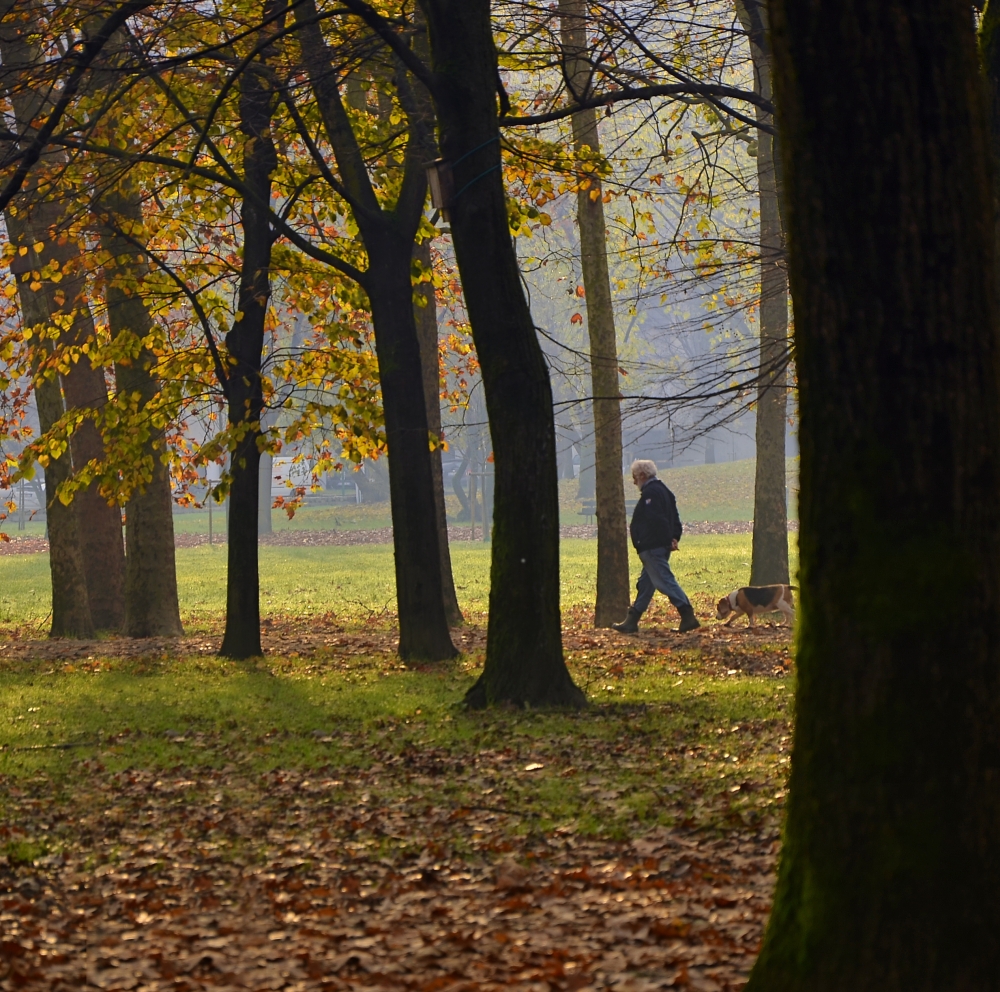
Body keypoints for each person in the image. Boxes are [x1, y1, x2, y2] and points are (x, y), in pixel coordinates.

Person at [612, 459, 700, 634]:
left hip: (652, 545)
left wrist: (665, 538)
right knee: (646, 583)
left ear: (643, 475)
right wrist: (674, 537)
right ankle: (632, 620)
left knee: (664, 580)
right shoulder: (665, 491)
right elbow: (674, 517)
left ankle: (687, 614)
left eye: (635, 477)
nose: (634, 481)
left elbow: (656, 519)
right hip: (661, 544)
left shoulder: (651, 493)